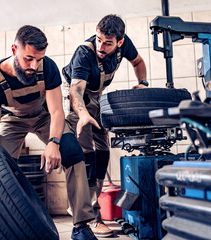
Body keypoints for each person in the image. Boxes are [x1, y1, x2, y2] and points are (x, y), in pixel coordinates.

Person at [0, 25, 97, 240]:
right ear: (14, 49)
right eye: (28, 58)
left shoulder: (48, 68)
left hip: (44, 116)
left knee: (74, 153)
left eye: (38, 59)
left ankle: (81, 225)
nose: (33, 65)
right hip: (12, 120)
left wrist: (54, 143)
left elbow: (57, 111)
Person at [63, 14, 148, 237]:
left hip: (97, 98)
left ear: (119, 42)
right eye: (99, 39)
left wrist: (142, 83)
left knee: (102, 153)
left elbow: (138, 62)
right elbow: (76, 92)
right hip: (75, 98)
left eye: (107, 42)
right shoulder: (84, 54)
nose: (101, 46)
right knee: (85, 156)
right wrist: (82, 116)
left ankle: (93, 210)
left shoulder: (124, 45)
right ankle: (89, 218)